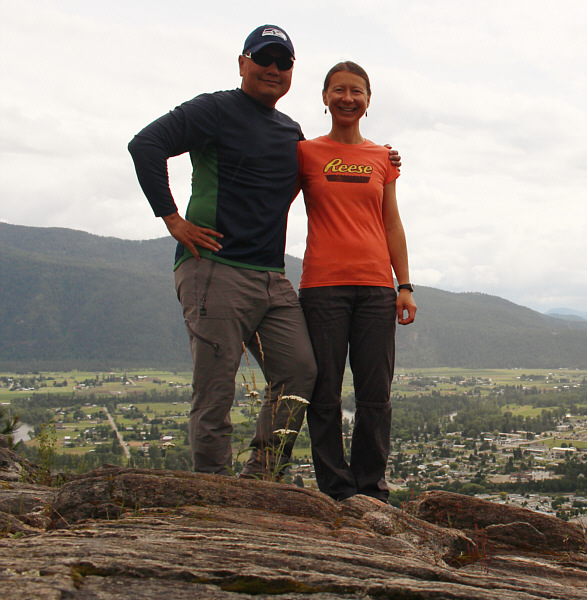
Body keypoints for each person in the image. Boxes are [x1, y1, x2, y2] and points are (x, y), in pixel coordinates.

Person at [128, 25, 399, 478]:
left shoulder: (289, 131)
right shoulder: (214, 108)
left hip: (271, 277)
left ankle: (261, 478)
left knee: (299, 372)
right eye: (263, 59)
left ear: (292, 72)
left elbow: (329, 173)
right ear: (242, 63)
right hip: (214, 268)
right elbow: (146, 145)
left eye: (283, 62)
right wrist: (172, 219)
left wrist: (383, 159)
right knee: (215, 389)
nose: (273, 69)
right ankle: (214, 492)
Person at [297, 61, 416, 501]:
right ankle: (335, 486)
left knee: (375, 395)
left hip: (376, 288)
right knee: (324, 393)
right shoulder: (305, 152)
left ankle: (370, 488)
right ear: (324, 97)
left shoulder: (382, 158)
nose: (348, 98)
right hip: (322, 287)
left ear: (368, 102)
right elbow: (272, 199)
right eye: (339, 90)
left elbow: (392, 223)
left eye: (357, 92)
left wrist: (404, 285)